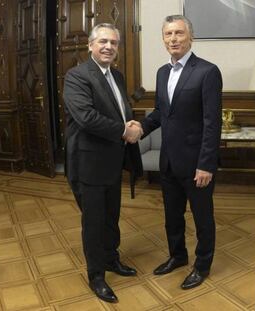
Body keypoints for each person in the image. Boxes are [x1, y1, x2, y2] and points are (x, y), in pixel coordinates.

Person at [63, 23, 144, 303]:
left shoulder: (117, 76)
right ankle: (96, 276)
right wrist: (125, 130)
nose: (109, 46)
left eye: (113, 42)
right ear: (90, 45)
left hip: (112, 162)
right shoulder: (76, 76)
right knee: (94, 222)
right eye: (103, 42)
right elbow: (86, 117)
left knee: (111, 218)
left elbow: (118, 110)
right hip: (88, 164)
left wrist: (129, 121)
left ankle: (112, 260)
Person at [140, 15, 222, 290]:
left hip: (197, 163)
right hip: (168, 161)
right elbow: (162, 113)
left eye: (178, 33)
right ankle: (177, 256)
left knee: (202, 218)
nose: (173, 39)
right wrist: (139, 128)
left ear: (191, 37)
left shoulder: (208, 71)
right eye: (167, 34)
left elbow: (213, 123)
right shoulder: (162, 72)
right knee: (172, 216)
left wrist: (206, 165)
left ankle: (202, 265)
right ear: (163, 39)